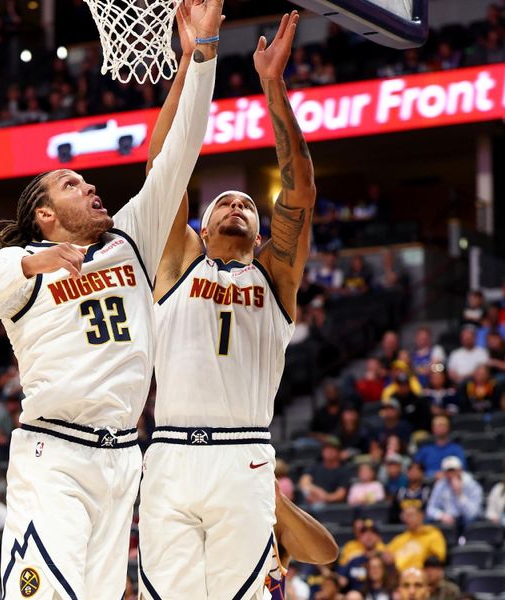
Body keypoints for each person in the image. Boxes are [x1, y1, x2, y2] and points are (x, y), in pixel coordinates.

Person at [0, 2, 221, 591]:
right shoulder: (17, 265)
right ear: (44, 215)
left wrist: (202, 52)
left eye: (88, 181)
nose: (90, 186)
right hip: (54, 454)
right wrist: (26, 262)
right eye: (73, 184)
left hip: (124, 458)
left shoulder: (132, 238)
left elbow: (181, 152)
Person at [139, 11, 313, 597]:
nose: (236, 206)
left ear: (261, 233)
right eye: (223, 204)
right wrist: (191, 58)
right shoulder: (176, 262)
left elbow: (300, 192)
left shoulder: (275, 277)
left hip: (244, 454)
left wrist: (273, 84)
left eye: (247, 205)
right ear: (201, 225)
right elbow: (162, 169)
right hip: (167, 453)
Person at [425, 456, 483, 527]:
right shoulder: (440, 485)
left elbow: (473, 514)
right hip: (449, 522)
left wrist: (460, 495)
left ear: (460, 470)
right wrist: (441, 515)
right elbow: (430, 509)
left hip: (468, 522)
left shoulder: (472, 485)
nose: (451, 474)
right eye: (448, 471)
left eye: (453, 470)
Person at [387, 505, 446, 572]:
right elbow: (386, 554)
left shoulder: (433, 535)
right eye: (406, 516)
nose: (408, 518)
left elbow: (438, 560)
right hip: (398, 576)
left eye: (411, 515)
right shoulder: (400, 539)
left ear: (421, 516)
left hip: (421, 576)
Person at [299, 436, 351, 509]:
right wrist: (318, 492)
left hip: (331, 508)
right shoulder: (315, 467)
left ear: (338, 452)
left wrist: (325, 497)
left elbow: (340, 495)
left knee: (318, 507)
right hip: (311, 503)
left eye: (332, 449)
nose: (329, 451)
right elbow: (304, 482)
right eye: (326, 449)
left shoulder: (343, 471)